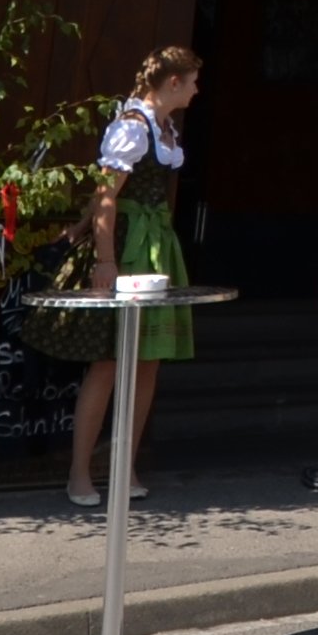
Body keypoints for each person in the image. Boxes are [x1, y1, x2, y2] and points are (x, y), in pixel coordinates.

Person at [66, 46, 201, 504]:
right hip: (127, 245)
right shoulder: (132, 126)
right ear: (174, 82)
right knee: (107, 362)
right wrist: (104, 258)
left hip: (157, 243)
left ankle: (124, 467)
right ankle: (79, 474)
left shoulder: (166, 128)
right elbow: (106, 196)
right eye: (194, 80)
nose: (198, 90)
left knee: (148, 361)